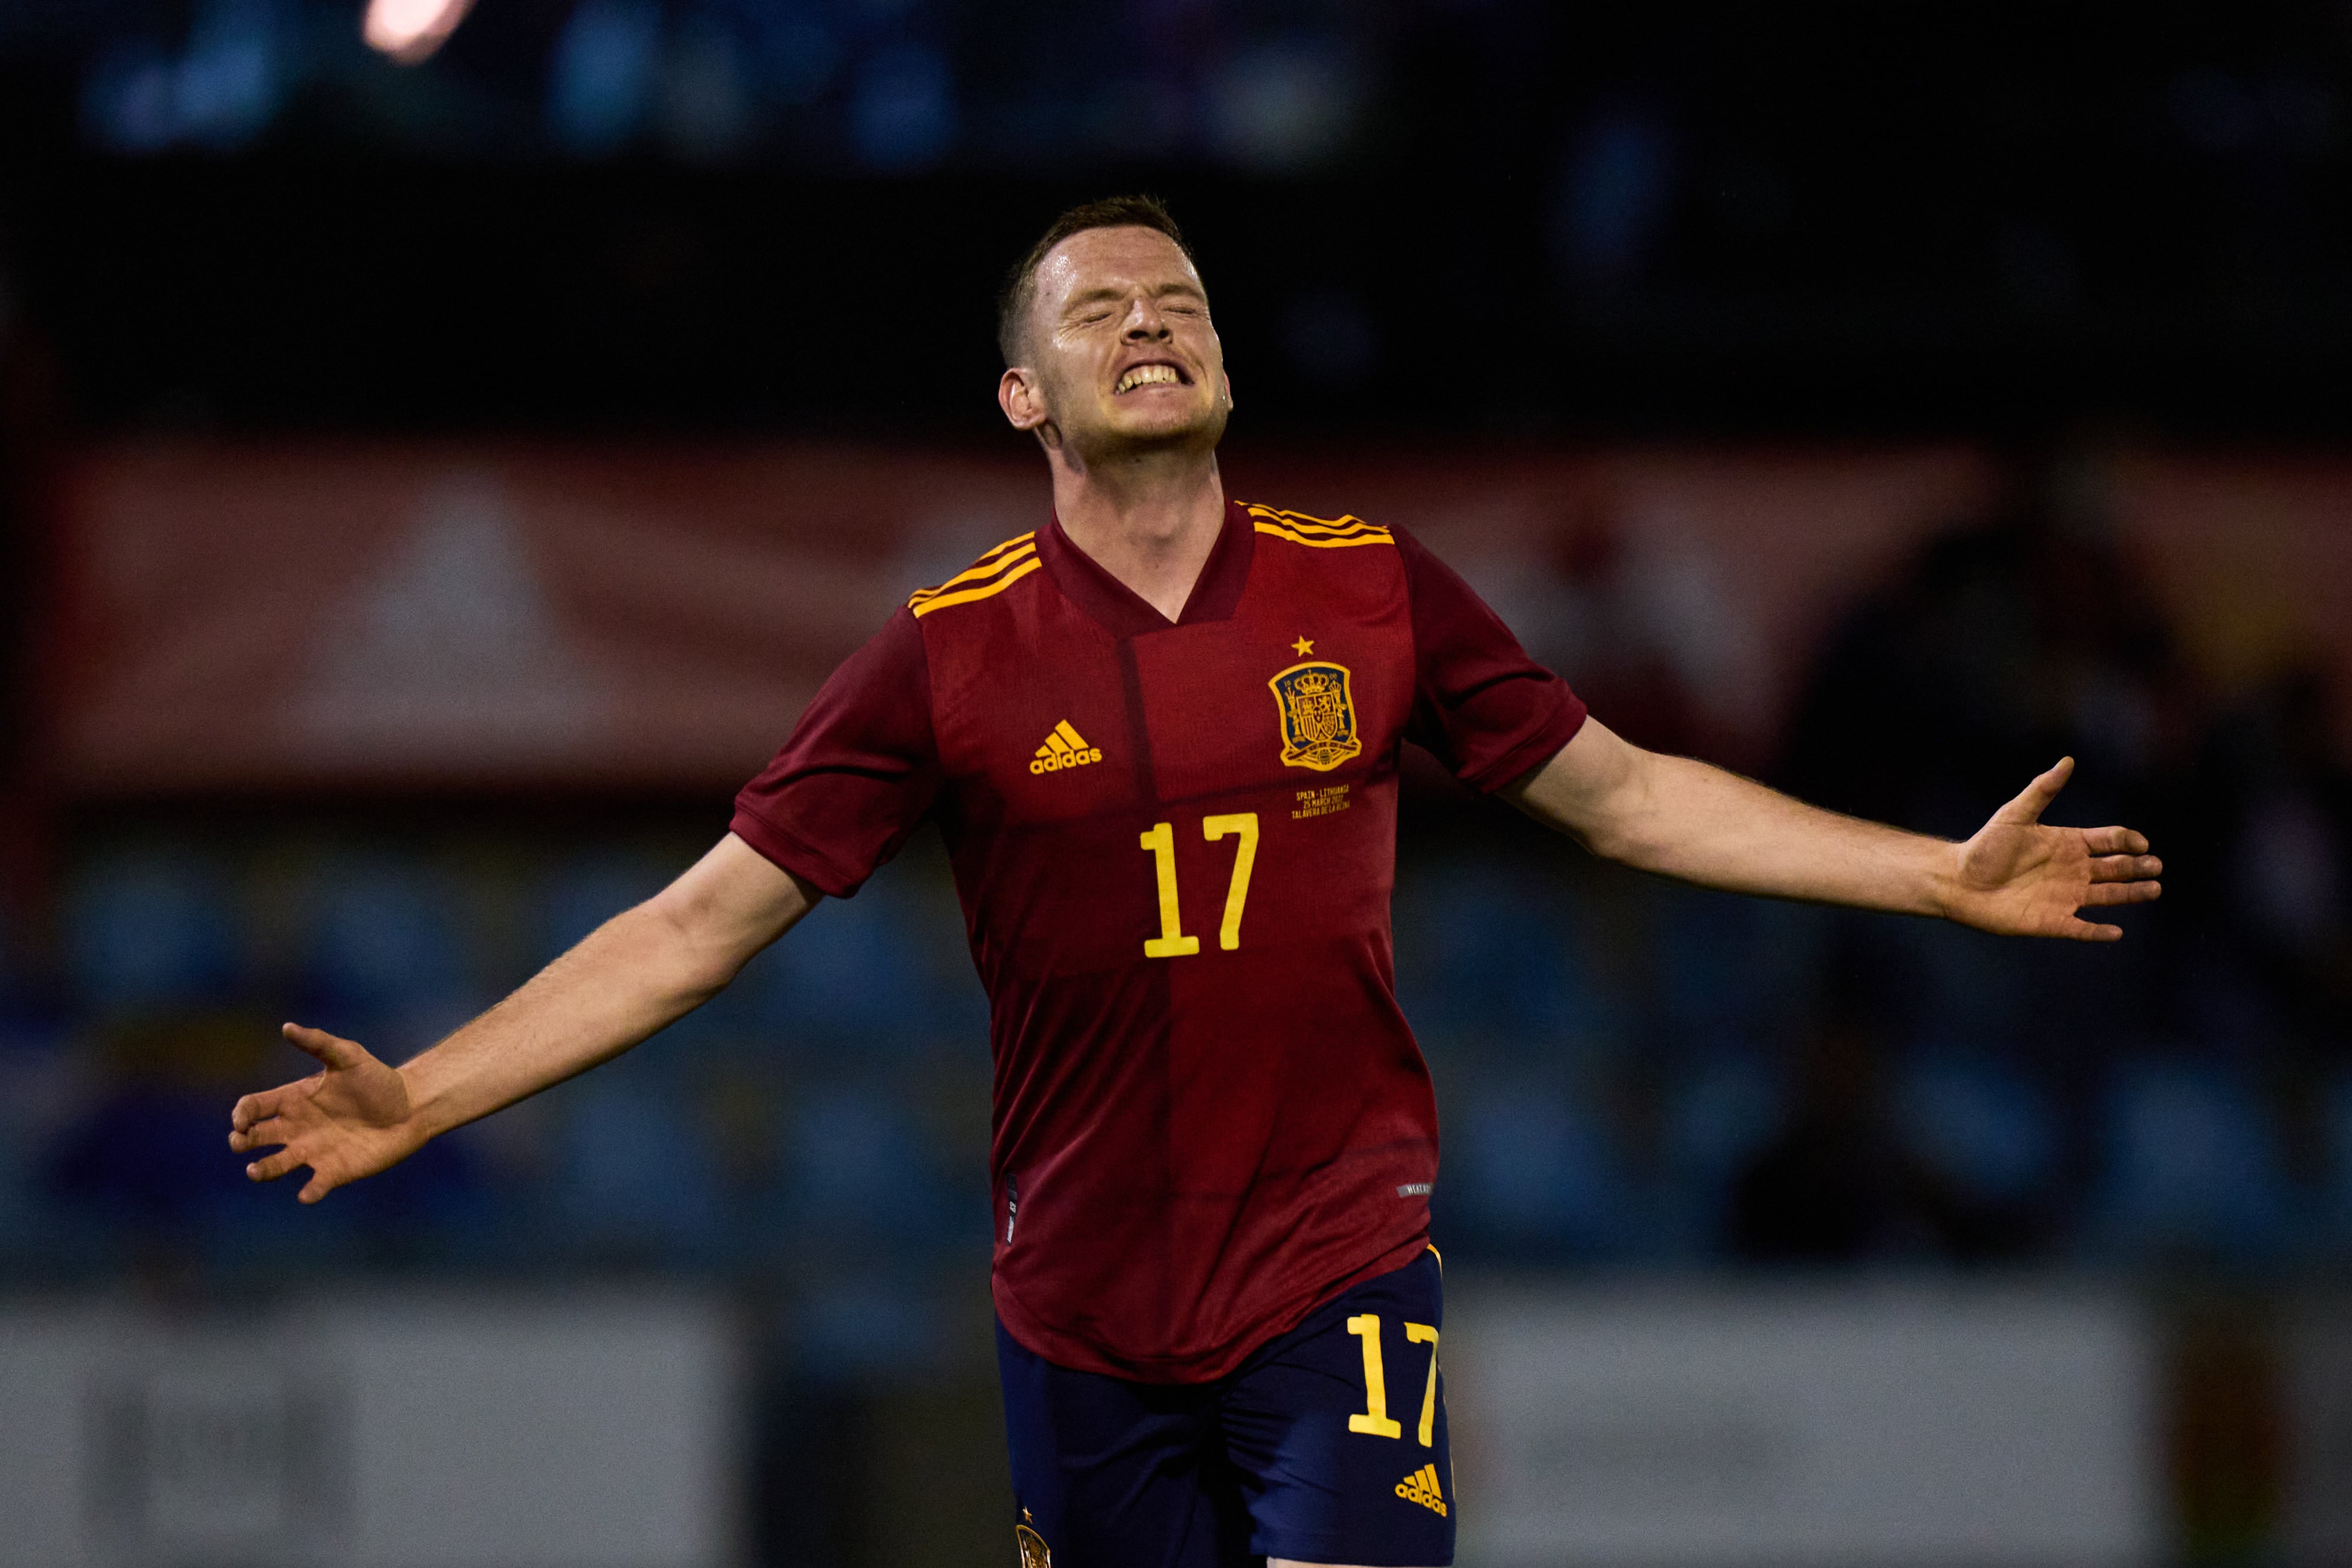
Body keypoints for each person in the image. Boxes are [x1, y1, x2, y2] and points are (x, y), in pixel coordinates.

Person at [228, 196, 2163, 1568]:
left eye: (1184, 301)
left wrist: (1935, 877)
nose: (1152, 323)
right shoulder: (940, 654)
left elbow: (1628, 794)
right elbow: (693, 926)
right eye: (1099, 311)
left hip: (1336, 1257)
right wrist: (434, 1088)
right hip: (1077, 1305)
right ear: (1023, 402)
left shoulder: (1375, 588)